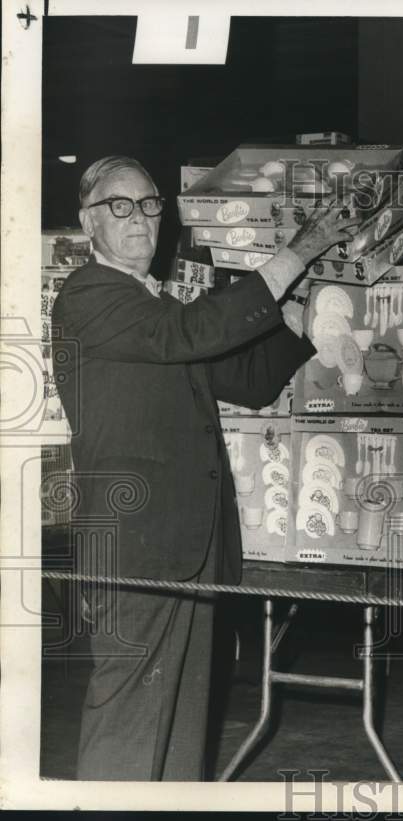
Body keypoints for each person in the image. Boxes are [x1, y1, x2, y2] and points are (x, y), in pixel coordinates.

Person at [52, 155, 359, 781]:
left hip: (185, 547)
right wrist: (295, 255)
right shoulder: (90, 296)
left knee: (181, 725)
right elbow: (192, 334)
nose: (139, 217)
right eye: (119, 205)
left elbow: (243, 380)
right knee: (129, 723)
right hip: (139, 548)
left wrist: (299, 322)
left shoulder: (154, 305)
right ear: (89, 224)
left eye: (148, 204)